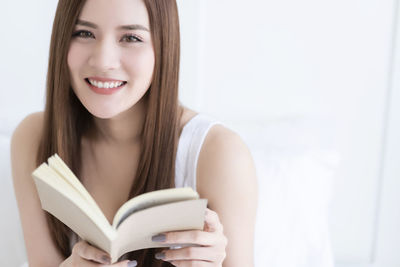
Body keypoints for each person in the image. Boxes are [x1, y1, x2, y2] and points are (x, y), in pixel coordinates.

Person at [10, 0, 258, 266]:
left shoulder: (218, 153)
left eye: (131, 37)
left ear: (164, 47)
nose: (104, 61)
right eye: (84, 33)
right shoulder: (34, 138)